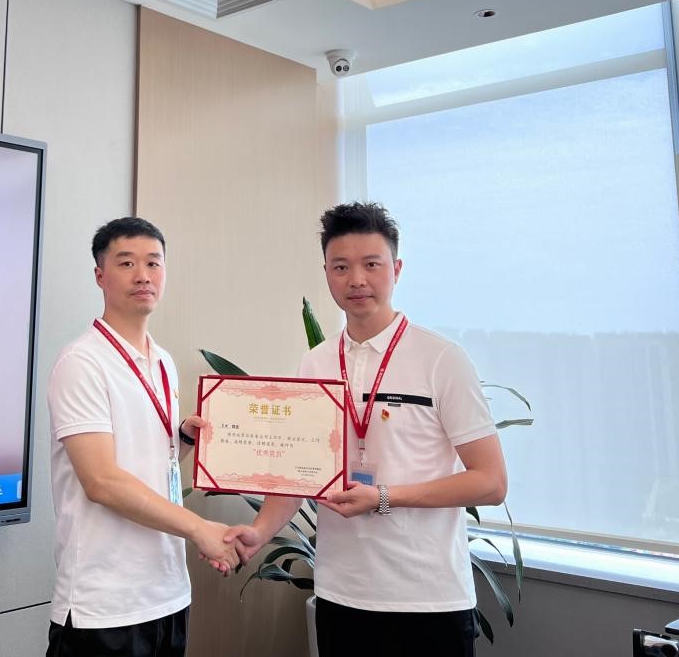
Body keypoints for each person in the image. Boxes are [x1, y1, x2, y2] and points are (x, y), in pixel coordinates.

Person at [226, 202, 507, 657]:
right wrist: (258, 532)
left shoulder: (441, 358)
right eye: (341, 267)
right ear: (326, 274)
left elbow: (491, 482)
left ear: (397, 269)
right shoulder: (315, 363)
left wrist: (384, 497)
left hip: (428, 600)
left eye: (371, 264)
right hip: (342, 596)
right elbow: (299, 474)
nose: (356, 279)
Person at [47, 216, 239, 657]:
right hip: (104, 606)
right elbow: (102, 482)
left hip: (167, 592)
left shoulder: (163, 362)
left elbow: (150, 466)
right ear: (100, 275)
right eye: (126, 263)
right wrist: (200, 528)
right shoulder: (82, 362)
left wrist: (182, 441)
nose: (143, 275)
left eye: (153, 262)